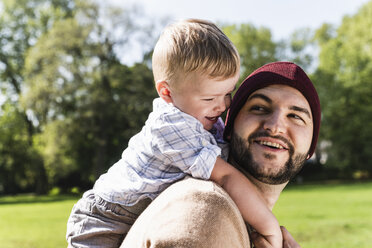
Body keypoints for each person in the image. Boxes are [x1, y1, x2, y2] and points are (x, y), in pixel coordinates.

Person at [66, 19, 282, 248]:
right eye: (209, 98)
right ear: (167, 93)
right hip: (106, 220)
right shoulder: (170, 126)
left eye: (228, 93)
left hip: (144, 212)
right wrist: (269, 226)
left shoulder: (204, 118)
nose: (222, 106)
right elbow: (226, 177)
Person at [121, 61, 321, 248]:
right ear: (228, 128)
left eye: (295, 116)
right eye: (259, 108)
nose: (275, 126)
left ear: (311, 147)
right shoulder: (205, 211)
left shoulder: (233, 218)